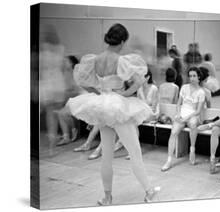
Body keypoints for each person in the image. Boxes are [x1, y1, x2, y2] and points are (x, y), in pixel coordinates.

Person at [67, 23, 160, 205]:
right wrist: (124, 94)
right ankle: (149, 191)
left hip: (102, 105)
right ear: (123, 40)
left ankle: (107, 197)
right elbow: (139, 81)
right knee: (134, 151)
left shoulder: (94, 59)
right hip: (117, 106)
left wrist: (98, 92)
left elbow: (81, 79)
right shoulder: (121, 60)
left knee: (106, 155)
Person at [161, 67, 206, 171]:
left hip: (193, 115)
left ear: (199, 77)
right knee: (173, 132)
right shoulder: (184, 87)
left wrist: (186, 118)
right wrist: (177, 114)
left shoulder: (201, 92)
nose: (192, 78)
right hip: (182, 114)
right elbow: (178, 103)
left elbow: (198, 111)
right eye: (190, 76)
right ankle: (168, 160)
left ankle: (192, 150)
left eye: (194, 76)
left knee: (193, 124)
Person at [39, 25, 66, 153]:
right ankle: (53, 143)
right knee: (54, 114)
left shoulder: (43, 50)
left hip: (48, 84)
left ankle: (51, 142)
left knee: (50, 115)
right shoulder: (60, 49)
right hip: (59, 83)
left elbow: (41, 68)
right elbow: (62, 67)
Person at [56, 55, 81, 146]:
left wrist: (65, 94)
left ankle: (71, 132)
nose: (63, 63)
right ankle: (68, 134)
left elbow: (77, 89)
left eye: (65, 61)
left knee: (61, 112)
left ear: (71, 63)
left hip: (81, 97)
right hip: (73, 98)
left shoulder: (77, 73)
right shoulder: (66, 73)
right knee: (60, 111)